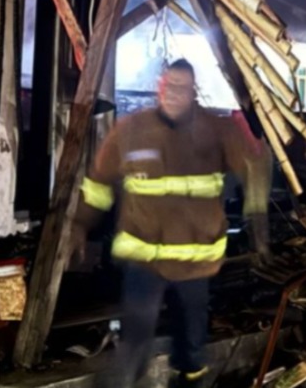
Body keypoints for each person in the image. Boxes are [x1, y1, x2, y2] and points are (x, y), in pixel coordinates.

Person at [74, 58, 272, 388]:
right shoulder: (131, 130)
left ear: (193, 92)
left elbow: (254, 167)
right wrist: (79, 225)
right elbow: (98, 183)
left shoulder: (218, 130)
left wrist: (258, 221)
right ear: (158, 88)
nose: (173, 93)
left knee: (192, 346)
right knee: (136, 337)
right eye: (168, 86)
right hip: (144, 261)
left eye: (181, 87)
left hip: (195, 264)